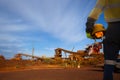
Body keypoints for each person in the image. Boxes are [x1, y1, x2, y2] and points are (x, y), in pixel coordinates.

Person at [85, 0, 120, 80]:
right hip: (111, 30)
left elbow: (95, 11)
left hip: (112, 29)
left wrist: (89, 24)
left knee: (109, 62)